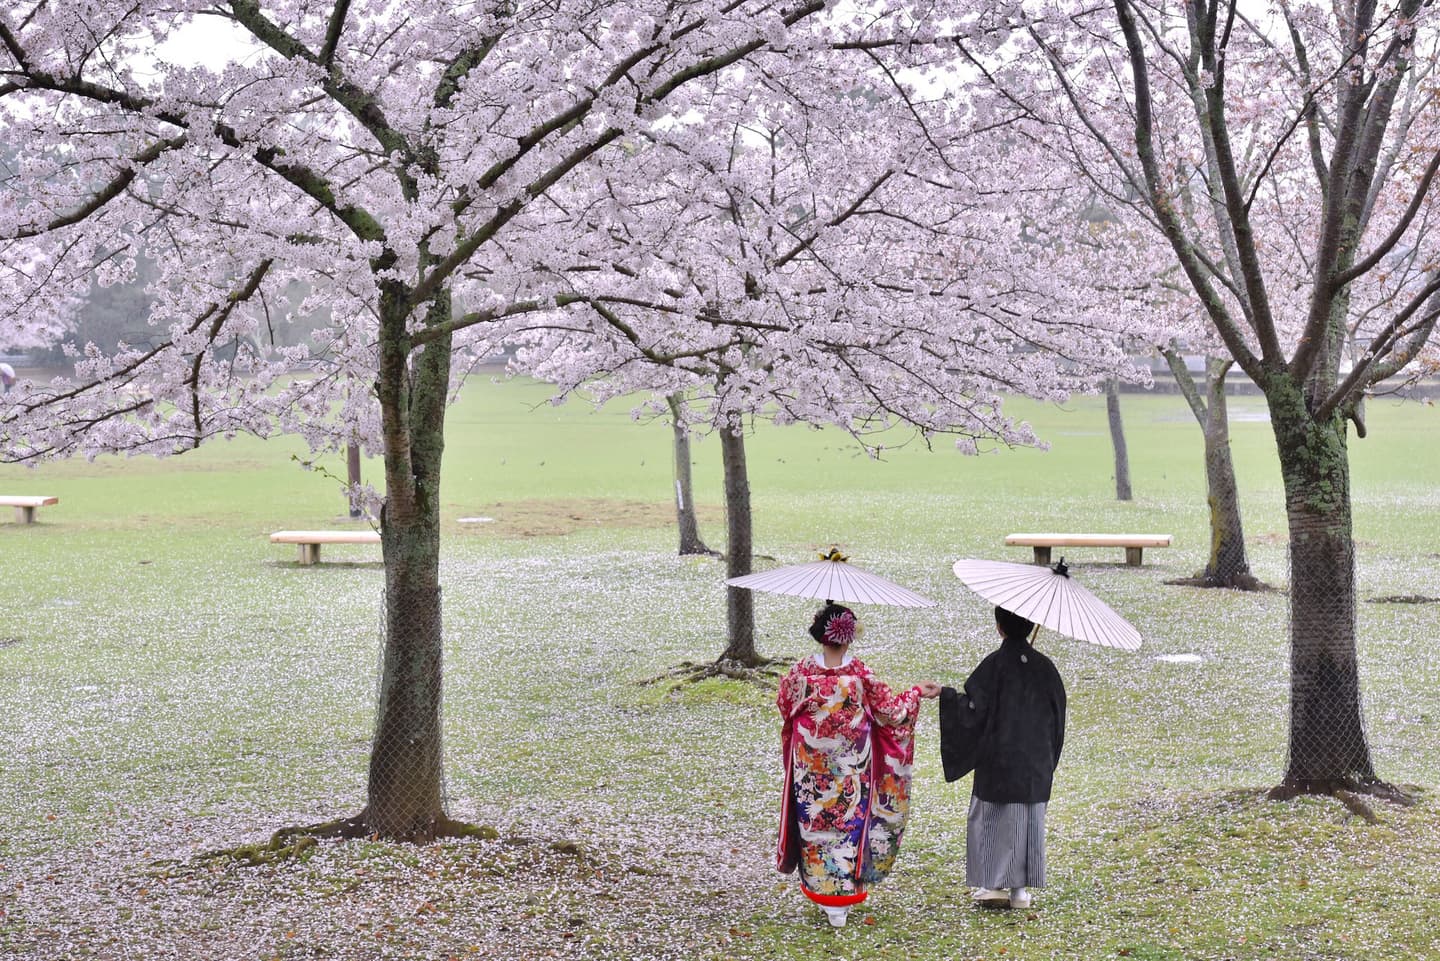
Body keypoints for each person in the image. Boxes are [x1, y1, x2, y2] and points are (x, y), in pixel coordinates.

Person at [776, 602, 937, 928]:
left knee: (815, 828)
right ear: (849, 637)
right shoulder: (862, 676)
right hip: (851, 770)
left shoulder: (799, 675)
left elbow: (785, 707)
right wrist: (917, 692)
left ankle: (823, 894)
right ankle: (842, 901)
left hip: (811, 770)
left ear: (819, 633)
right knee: (846, 827)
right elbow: (892, 714)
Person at [918, 605, 1066, 911]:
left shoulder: (994, 665)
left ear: (999, 627)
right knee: (1027, 822)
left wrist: (945, 694)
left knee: (996, 818)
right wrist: (1047, 758)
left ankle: (993, 885)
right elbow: (1058, 716)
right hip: (1035, 761)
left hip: (999, 761)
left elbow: (972, 710)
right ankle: (1020, 891)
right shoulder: (1046, 668)